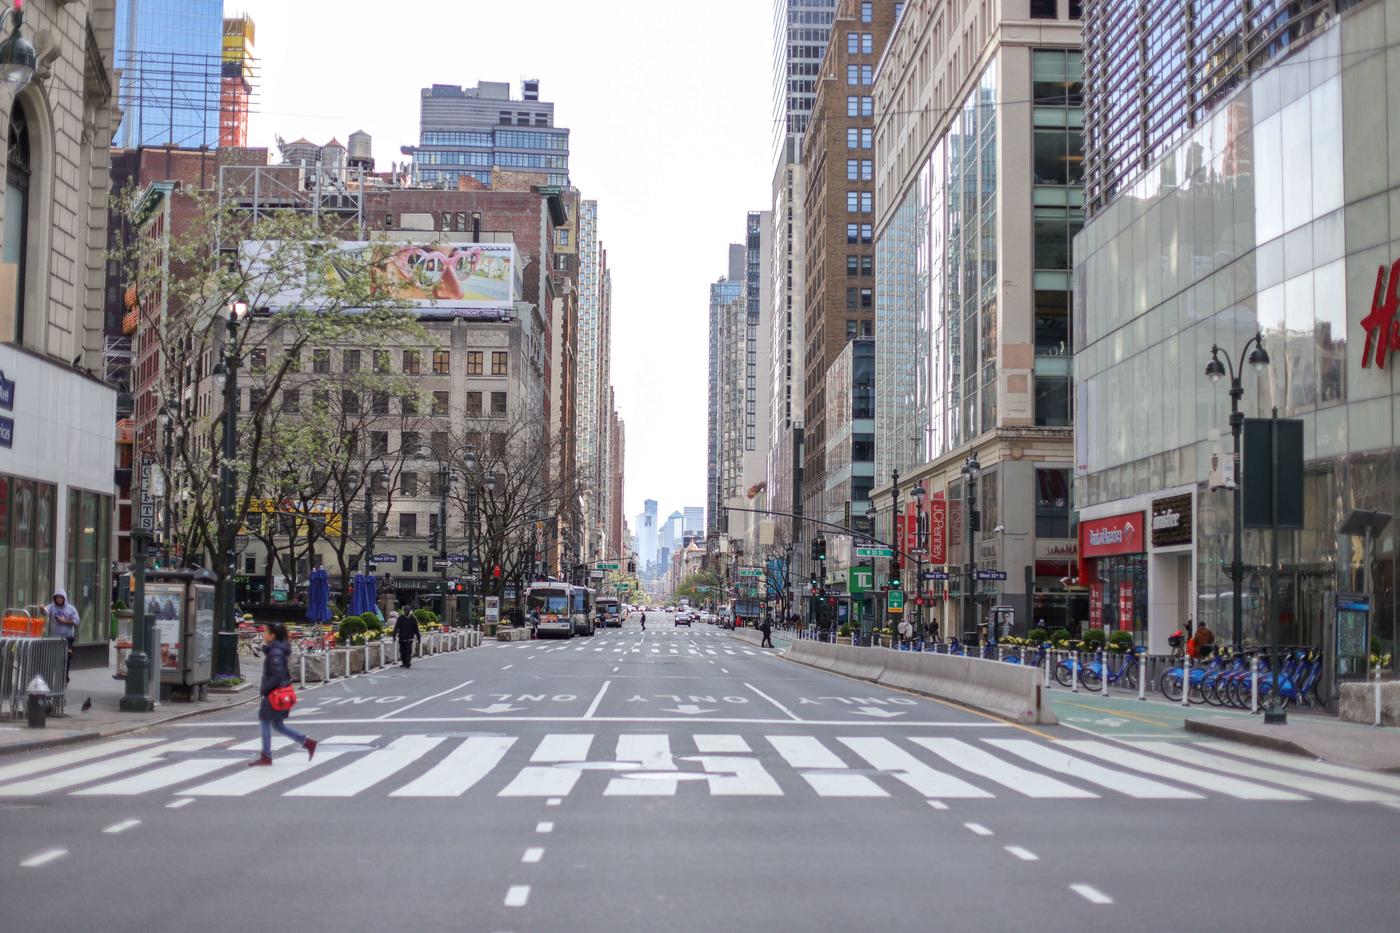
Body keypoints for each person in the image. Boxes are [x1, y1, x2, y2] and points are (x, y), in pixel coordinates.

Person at [250, 623, 316, 766]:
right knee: (278, 725)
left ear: (272, 635)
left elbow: (278, 674)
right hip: (281, 693)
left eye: (266, 632)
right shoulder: (278, 650)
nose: (263, 634)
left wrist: (265, 689)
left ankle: (266, 755)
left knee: (265, 722)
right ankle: (307, 742)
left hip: (274, 694)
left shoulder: (275, 652)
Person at [45, 589, 80, 684]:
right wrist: (41, 609)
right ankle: (51, 678)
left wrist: (64, 621)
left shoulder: (70, 609)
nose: (59, 599)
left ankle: (65, 678)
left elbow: (76, 621)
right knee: (53, 658)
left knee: (66, 658)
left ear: (64, 598)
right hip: (54, 638)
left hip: (67, 637)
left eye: (61, 597)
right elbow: (45, 612)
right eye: (57, 597)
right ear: (54, 598)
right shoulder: (52, 607)